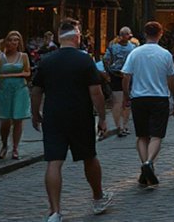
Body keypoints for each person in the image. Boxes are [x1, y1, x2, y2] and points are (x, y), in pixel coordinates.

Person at [31, 21, 112, 221]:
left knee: (54, 162)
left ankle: (55, 211)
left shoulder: (47, 61)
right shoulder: (84, 61)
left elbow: (36, 91)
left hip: (54, 116)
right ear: (77, 37)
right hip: (80, 116)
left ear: (59, 38)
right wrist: (102, 118)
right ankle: (98, 198)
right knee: (89, 157)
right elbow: (96, 93)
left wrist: (35, 113)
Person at [121, 21, 174, 188]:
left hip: (139, 97)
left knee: (141, 135)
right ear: (160, 34)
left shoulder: (135, 53)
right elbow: (171, 79)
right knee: (156, 135)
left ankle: (145, 165)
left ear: (145, 34)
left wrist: (126, 95)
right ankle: (149, 162)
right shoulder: (165, 54)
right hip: (159, 97)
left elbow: (125, 76)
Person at [0, 30, 31, 160]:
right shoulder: (1, 57)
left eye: (16, 40)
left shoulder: (23, 56)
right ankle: (4, 144)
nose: (13, 43)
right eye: (11, 40)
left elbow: (27, 73)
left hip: (20, 89)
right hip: (6, 90)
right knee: (5, 120)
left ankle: (15, 147)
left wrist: (14, 75)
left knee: (18, 119)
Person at [104, 27, 136, 137]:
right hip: (125, 75)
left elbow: (106, 60)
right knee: (124, 102)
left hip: (117, 75)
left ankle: (120, 126)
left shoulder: (113, 47)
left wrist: (108, 72)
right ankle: (123, 125)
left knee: (120, 101)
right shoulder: (133, 48)